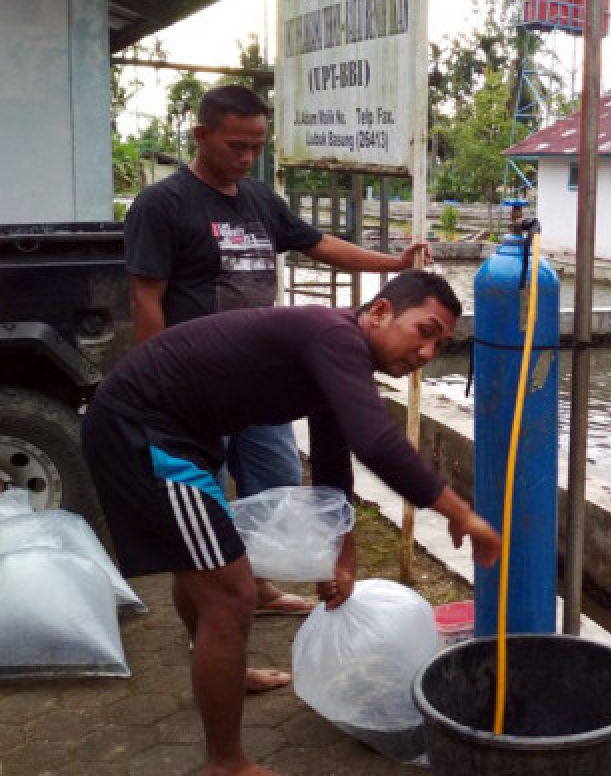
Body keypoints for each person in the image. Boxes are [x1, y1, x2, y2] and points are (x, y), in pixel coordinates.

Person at [81, 271, 501, 776]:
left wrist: (343, 556)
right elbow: (377, 442)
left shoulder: (337, 352)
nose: (428, 352)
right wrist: (462, 513)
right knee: (231, 592)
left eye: (441, 343)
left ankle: (221, 672)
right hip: (142, 434)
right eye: (425, 330)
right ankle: (226, 762)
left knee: (203, 568)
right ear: (382, 311)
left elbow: (332, 462)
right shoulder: (334, 336)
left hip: (178, 435)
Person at [123, 84, 431, 619]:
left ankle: (258, 586)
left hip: (259, 378)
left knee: (279, 477)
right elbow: (145, 299)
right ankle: (213, 622)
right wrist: (158, 389)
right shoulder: (162, 205)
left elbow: (320, 245)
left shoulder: (260, 200)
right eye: (235, 146)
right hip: (193, 387)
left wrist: (392, 265)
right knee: (204, 505)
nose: (245, 159)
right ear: (201, 135)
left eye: (256, 147)